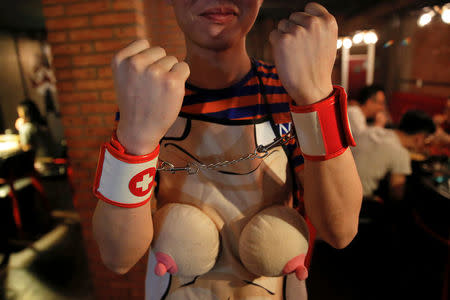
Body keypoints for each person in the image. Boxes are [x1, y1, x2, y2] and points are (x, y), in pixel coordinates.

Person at [92, 1, 363, 299]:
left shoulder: (290, 90)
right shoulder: (147, 97)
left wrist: (315, 96)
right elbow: (118, 256)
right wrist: (135, 140)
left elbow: (339, 230)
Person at [352, 110, 436, 202]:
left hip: (337, 189)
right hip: (359, 201)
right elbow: (396, 195)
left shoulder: (372, 130)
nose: (424, 145)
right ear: (418, 138)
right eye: (425, 139)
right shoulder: (400, 153)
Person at [15, 99, 59, 172]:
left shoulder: (26, 128)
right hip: (54, 161)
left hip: (42, 165)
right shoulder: (42, 124)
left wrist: (20, 129)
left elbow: (26, 150)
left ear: (23, 113)